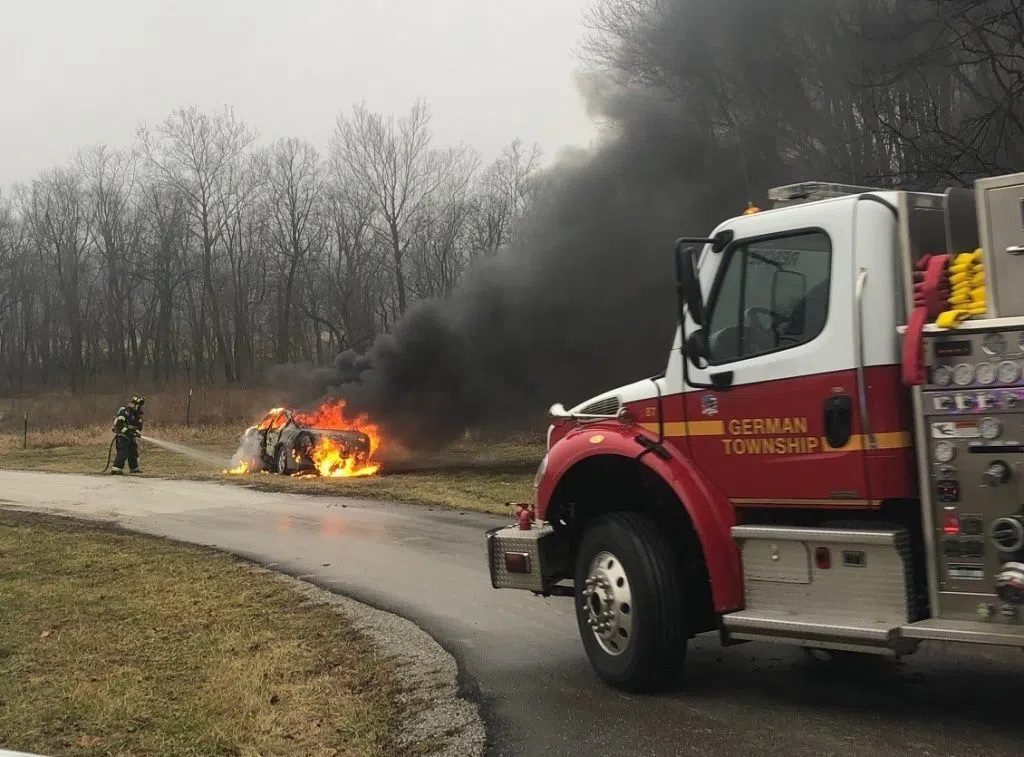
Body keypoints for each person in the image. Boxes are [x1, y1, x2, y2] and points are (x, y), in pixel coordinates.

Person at [110, 395, 145, 474]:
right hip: (122, 436)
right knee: (123, 452)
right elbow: (119, 424)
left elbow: (139, 427)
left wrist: (136, 433)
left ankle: (134, 468)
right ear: (134, 405)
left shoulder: (138, 415)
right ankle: (116, 469)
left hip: (131, 437)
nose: (139, 408)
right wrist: (127, 432)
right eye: (138, 406)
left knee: (133, 452)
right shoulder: (125, 412)